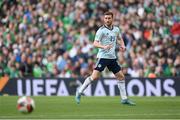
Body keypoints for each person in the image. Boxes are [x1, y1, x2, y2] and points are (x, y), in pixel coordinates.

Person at [75, 11, 136, 105]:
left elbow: (119, 38)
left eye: (109, 18)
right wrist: (104, 47)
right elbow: (95, 43)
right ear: (104, 19)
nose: (107, 20)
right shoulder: (101, 30)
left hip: (112, 58)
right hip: (103, 57)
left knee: (121, 76)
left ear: (112, 18)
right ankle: (79, 92)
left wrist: (123, 45)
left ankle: (124, 99)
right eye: (106, 18)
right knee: (94, 77)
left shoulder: (116, 29)